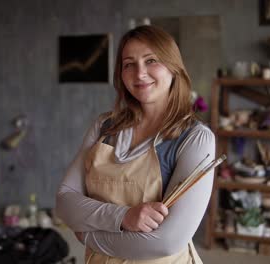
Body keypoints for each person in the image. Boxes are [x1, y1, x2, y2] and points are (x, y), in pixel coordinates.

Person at [55, 25, 216, 263]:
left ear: (174, 68)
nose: (139, 73)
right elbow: (65, 201)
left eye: (151, 60)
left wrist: (87, 235)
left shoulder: (195, 139)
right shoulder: (104, 126)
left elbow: (166, 241)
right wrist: (124, 216)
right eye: (129, 64)